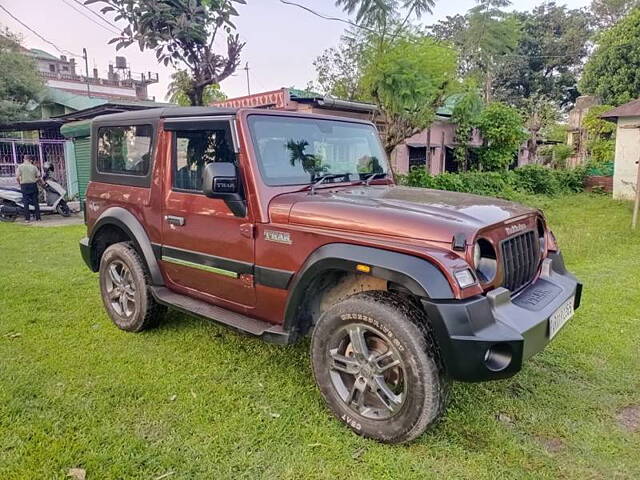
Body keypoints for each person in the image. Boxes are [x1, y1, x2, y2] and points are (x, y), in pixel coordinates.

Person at [15, 155, 41, 223]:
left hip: (24, 185)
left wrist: (19, 183)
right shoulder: (34, 167)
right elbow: (39, 176)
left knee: (26, 202)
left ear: (24, 159)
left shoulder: (20, 167)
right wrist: (35, 180)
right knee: (35, 202)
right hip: (33, 185)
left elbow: (17, 177)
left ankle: (27, 219)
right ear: (30, 160)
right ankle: (38, 218)